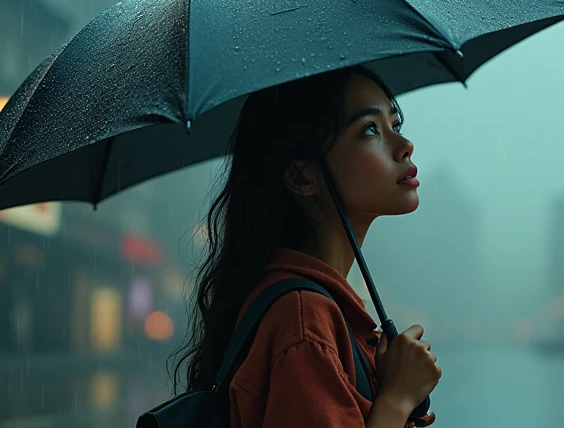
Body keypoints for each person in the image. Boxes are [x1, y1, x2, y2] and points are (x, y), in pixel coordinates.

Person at [169, 66, 441, 428]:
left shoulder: (316, 313)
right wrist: (397, 398)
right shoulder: (304, 322)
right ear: (301, 176)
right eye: (369, 130)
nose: (404, 145)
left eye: (396, 124)